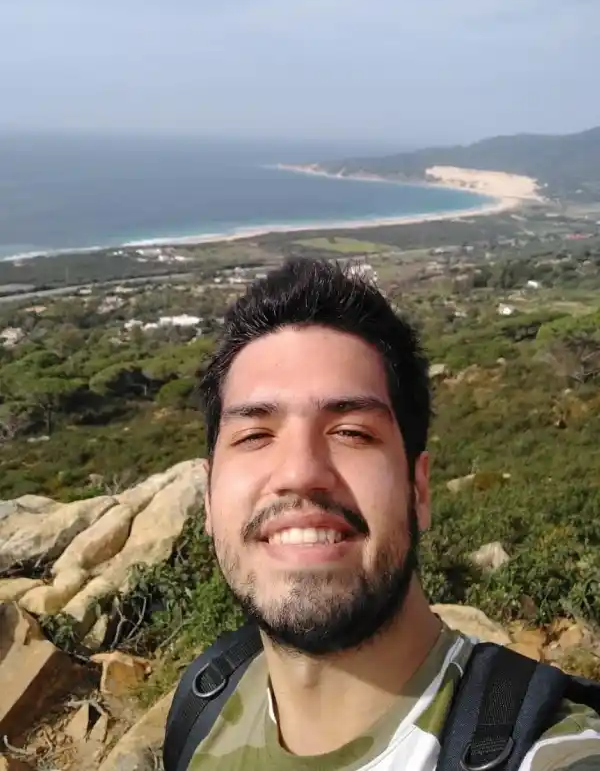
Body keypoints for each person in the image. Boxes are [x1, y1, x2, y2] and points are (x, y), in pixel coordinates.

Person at [189, 256, 600, 770]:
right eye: (254, 436)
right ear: (207, 498)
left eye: (352, 433)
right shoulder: (202, 708)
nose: (299, 471)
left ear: (418, 489)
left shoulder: (547, 751)